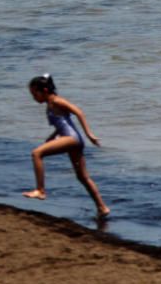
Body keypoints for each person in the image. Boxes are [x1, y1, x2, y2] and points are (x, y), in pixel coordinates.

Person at [22, 74, 110, 218]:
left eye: (34, 94)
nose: (33, 98)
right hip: (73, 140)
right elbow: (63, 122)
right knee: (82, 177)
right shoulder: (50, 104)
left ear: (44, 90)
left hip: (71, 139)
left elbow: (79, 112)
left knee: (36, 153)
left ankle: (40, 190)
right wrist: (52, 136)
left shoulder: (57, 101)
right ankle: (102, 207)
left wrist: (89, 134)